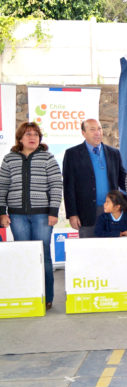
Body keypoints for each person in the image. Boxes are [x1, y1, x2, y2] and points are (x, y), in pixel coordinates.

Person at [0, 122, 62, 310]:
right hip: (17, 216)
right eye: (28, 134)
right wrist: (2, 212)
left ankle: (47, 297)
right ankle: (27, 294)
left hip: (42, 216)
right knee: (23, 255)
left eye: (36, 134)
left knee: (43, 255)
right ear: (20, 138)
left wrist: (53, 212)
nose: (32, 137)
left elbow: (56, 186)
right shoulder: (9, 159)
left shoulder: (48, 158)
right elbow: (2, 186)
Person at [63, 118, 127, 238]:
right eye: (92, 129)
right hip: (86, 213)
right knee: (89, 252)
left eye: (99, 129)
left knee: (112, 251)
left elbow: (123, 180)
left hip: (111, 211)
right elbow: (68, 187)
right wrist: (72, 214)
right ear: (83, 133)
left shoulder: (114, 153)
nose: (97, 133)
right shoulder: (72, 154)